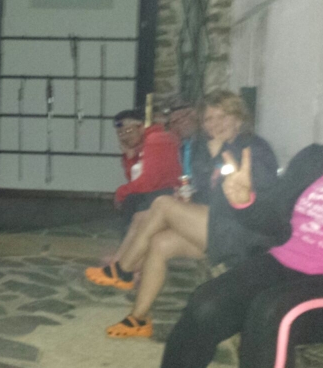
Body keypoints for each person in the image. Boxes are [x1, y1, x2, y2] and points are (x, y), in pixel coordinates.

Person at [161, 69, 323, 368]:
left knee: (274, 312)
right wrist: (245, 202)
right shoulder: (315, 159)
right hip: (285, 262)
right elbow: (275, 221)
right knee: (206, 301)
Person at [86, 90, 278, 338]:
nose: (215, 124)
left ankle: (124, 269)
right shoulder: (208, 147)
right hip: (218, 226)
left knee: (163, 204)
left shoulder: (254, 148)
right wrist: (190, 197)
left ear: (238, 117)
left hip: (244, 234)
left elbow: (249, 198)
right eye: (209, 119)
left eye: (223, 116)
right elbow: (207, 194)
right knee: (160, 242)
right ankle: (138, 319)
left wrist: (219, 154)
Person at [112, 108, 182, 234]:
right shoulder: (142, 144)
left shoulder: (156, 139)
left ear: (140, 127)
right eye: (120, 133)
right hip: (156, 191)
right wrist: (130, 157)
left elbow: (148, 182)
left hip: (170, 192)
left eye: (128, 131)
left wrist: (120, 192)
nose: (125, 137)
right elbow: (135, 178)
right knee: (132, 199)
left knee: (132, 201)